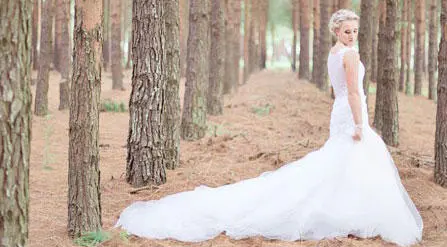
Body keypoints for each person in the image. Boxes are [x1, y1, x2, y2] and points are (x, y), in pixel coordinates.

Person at [115, 9, 423, 246]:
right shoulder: (349, 54)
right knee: (350, 158)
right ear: (336, 32)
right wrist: (360, 123)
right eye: (346, 31)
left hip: (339, 109)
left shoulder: (335, 53)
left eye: (355, 31)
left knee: (343, 162)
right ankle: (349, 213)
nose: (352, 35)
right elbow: (354, 91)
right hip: (350, 111)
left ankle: (349, 211)